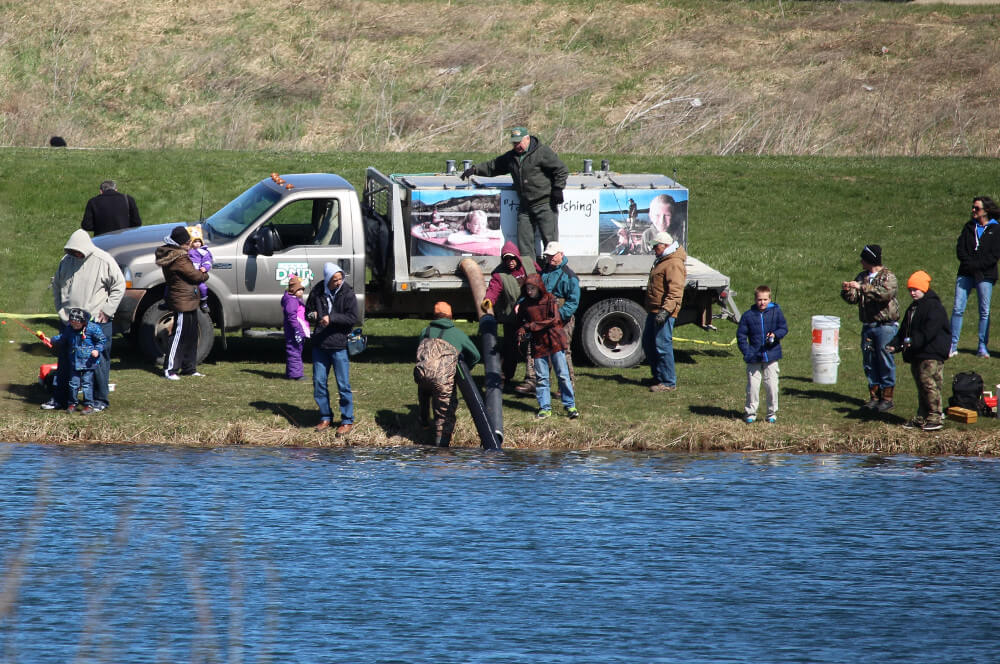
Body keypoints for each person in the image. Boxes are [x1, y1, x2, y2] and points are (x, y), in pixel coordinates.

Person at [43, 229, 125, 412]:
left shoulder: (104, 260)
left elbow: (119, 286)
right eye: (71, 251)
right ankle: (60, 399)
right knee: (65, 359)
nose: (75, 254)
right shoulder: (66, 261)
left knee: (98, 360)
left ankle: (99, 400)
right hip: (69, 322)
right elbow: (56, 285)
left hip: (96, 322)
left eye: (77, 251)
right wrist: (61, 310)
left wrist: (108, 310)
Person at [461, 127, 568, 259]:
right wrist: (474, 169)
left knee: (551, 243)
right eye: (514, 143)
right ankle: (530, 274)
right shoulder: (511, 157)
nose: (517, 145)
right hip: (525, 206)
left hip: (544, 203)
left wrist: (558, 189)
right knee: (524, 244)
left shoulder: (542, 152)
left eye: (519, 142)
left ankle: (553, 273)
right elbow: (494, 166)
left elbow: (561, 170)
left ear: (527, 139)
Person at [887, 271, 951, 432]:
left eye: (915, 289)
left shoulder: (934, 306)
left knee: (929, 384)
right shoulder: (913, 307)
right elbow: (904, 331)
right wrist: (895, 344)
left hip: (931, 353)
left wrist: (911, 343)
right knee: (921, 385)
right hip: (916, 353)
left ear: (924, 288)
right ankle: (922, 417)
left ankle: (935, 417)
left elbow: (929, 332)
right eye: (910, 289)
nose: (912, 292)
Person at [840, 244, 900, 411]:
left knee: (885, 361)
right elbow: (854, 298)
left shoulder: (888, 276)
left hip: (885, 326)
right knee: (869, 362)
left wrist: (862, 287)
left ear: (870, 260)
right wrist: (847, 291)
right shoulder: (862, 276)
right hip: (868, 326)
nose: (860, 262)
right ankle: (874, 396)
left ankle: (887, 398)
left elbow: (884, 294)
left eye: (863, 259)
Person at [517, 241, 580, 395]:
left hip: (561, 319)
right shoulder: (543, 273)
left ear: (561, 255)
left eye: (552, 255)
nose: (550, 258)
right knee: (536, 348)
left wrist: (559, 317)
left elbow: (573, 302)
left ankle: (566, 386)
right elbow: (533, 291)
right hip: (542, 317)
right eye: (548, 255)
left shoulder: (570, 276)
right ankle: (533, 381)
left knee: (562, 350)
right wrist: (522, 304)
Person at [415, 301, 481, 447]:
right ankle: (441, 450)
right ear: (451, 316)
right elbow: (476, 355)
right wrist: (463, 370)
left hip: (422, 375)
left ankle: (424, 422)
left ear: (434, 316)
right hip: (443, 380)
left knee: (425, 393)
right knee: (444, 415)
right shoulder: (457, 334)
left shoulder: (425, 331)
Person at [516, 274, 578, 420]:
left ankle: (570, 405)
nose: (530, 291)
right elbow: (520, 322)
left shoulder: (550, 299)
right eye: (527, 288)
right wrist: (522, 330)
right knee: (542, 378)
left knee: (563, 375)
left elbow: (553, 320)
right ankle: (545, 408)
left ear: (539, 287)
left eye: (532, 288)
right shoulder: (525, 304)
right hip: (539, 344)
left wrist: (531, 326)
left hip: (555, 341)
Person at [306, 262, 358, 435]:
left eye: (340, 278)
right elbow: (309, 310)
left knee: (343, 384)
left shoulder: (348, 293)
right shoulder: (317, 291)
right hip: (320, 344)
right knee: (319, 382)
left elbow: (352, 318)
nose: (338, 282)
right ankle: (325, 416)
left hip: (339, 345)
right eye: (335, 279)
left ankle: (347, 420)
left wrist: (332, 318)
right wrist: (312, 315)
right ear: (328, 279)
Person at [482, 240, 541, 388]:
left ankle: (533, 379)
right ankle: (504, 376)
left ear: (518, 257)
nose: (509, 262)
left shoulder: (529, 263)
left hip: (532, 314)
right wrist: (488, 301)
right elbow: (493, 290)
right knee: (510, 347)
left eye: (512, 258)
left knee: (533, 347)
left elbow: (542, 278)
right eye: (506, 259)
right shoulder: (499, 274)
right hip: (512, 317)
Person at [156, 225, 209, 380]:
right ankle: (170, 369)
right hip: (182, 300)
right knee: (179, 334)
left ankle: (189, 368)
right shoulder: (178, 257)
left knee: (191, 334)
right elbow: (195, 276)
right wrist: (204, 274)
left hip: (189, 299)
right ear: (179, 243)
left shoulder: (178, 254)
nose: (189, 245)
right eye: (187, 243)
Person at [949, 196, 1000, 358]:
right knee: (958, 308)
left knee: (984, 311)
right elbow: (960, 249)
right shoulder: (969, 227)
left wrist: (978, 267)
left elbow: (994, 256)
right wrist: (970, 265)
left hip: (985, 275)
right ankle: (952, 345)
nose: (973, 211)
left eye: (976, 208)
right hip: (965, 273)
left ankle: (982, 347)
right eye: (973, 207)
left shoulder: (996, 229)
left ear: (986, 211)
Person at [737, 285, 788, 424]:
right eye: (759, 299)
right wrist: (747, 352)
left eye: (765, 299)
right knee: (753, 387)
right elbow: (741, 336)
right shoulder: (748, 315)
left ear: (770, 299)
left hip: (772, 355)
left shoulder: (776, 312)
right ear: (755, 299)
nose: (762, 302)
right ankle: (750, 413)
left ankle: (771, 413)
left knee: (772, 386)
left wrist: (775, 335)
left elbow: (784, 328)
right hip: (753, 356)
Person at [643, 231, 687, 392]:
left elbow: (675, 292)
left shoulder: (673, 263)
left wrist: (665, 311)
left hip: (664, 312)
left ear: (666, 246)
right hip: (654, 310)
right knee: (648, 343)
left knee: (662, 345)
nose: (654, 248)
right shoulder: (664, 259)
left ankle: (668, 382)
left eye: (656, 246)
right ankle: (659, 376)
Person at [50, 308, 107, 415]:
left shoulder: (93, 328)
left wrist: (97, 350)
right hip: (74, 362)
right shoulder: (69, 329)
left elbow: (102, 340)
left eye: (77, 324)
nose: (74, 326)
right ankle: (72, 403)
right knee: (73, 383)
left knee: (87, 384)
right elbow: (62, 338)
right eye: (72, 323)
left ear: (84, 321)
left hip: (88, 362)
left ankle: (88, 404)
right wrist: (52, 340)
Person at [281, 275, 310, 381]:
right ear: (293, 289)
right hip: (294, 331)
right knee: (295, 351)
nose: (301, 292)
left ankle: (291, 373)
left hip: (297, 330)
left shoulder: (294, 299)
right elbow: (291, 317)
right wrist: (297, 330)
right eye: (299, 290)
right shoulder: (291, 301)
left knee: (295, 350)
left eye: (302, 290)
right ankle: (296, 375)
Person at [187, 224, 213, 314]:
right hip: (188, 273)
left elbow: (207, 261)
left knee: (203, 288)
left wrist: (205, 268)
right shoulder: (188, 251)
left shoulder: (204, 252)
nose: (197, 243)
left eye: (199, 241)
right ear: (191, 242)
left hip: (198, 273)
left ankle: (203, 303)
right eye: (195, 241)